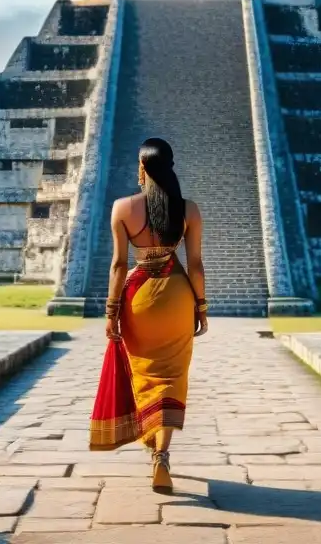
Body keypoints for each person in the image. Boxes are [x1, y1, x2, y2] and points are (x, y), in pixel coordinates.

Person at [88, 137, 208, 493]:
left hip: (138, 298)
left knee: (144, 374)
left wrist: (111, 313)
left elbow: (118, 265)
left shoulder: (122, 208)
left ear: (142, 168)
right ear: (169, 168)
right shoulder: (188, 210)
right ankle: (162, 455)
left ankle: (150, 441)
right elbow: (196, 265)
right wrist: (202, 308)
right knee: (172, 376)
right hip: (177, 296)